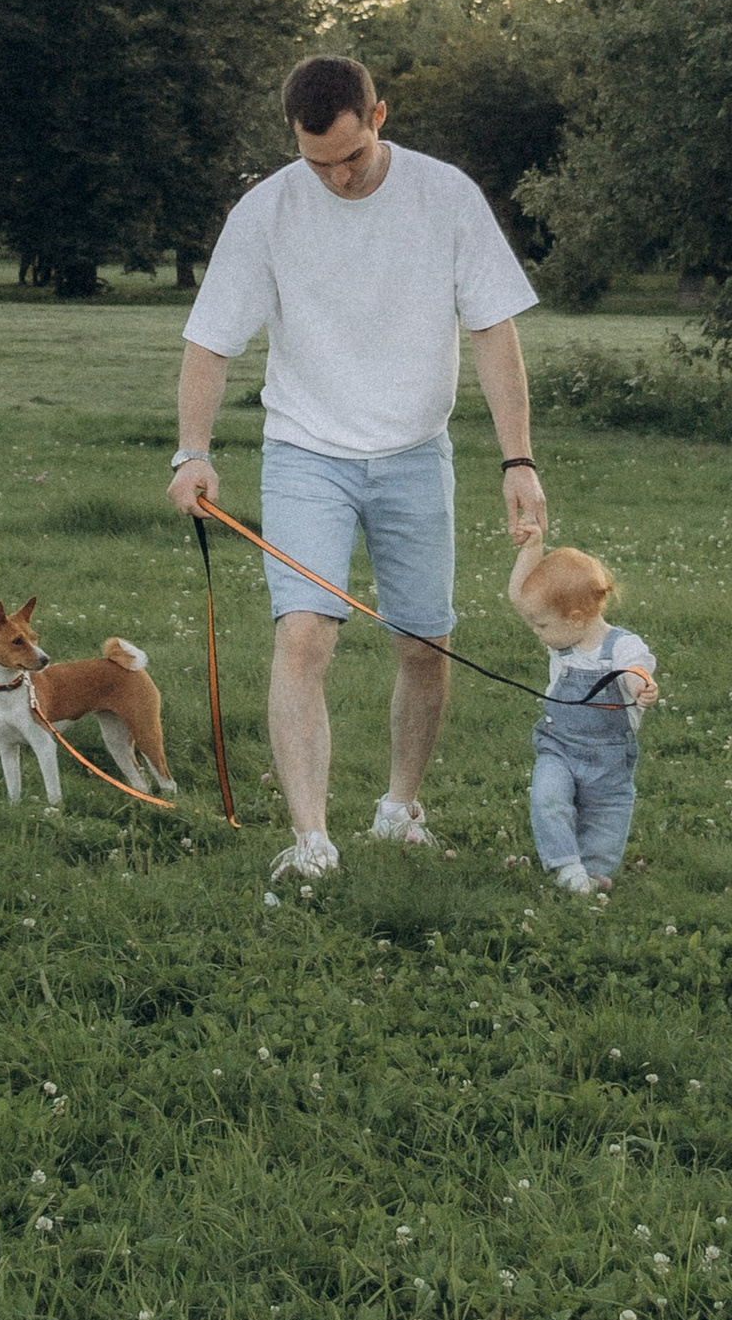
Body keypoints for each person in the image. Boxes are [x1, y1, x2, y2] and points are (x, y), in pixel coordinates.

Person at [167, 52, 545, 880]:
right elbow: (209, 341)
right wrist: (192, 451)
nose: (336, 176)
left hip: (416, 451)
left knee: (425, 645)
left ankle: (399, 809)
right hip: (307, 451)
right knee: (303, 635)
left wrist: (517, 458)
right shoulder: (265, 211)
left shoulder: (445, 196)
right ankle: (310, 842)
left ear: (379, 117)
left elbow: (493, 331)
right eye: (317, 161)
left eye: (351, 156)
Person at [507, 540, 657, 899]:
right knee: (549, 799)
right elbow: (520, 596)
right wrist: (532, 546)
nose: (535, 631)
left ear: (576, 618)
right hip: (559, 748)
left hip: (609, 760)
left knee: (607, 818)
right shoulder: (561, 641)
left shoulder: (621, 646)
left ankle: (591, 873)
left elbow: (636, 669)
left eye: (541, 625)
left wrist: (641, 686)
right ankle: (565, 867)